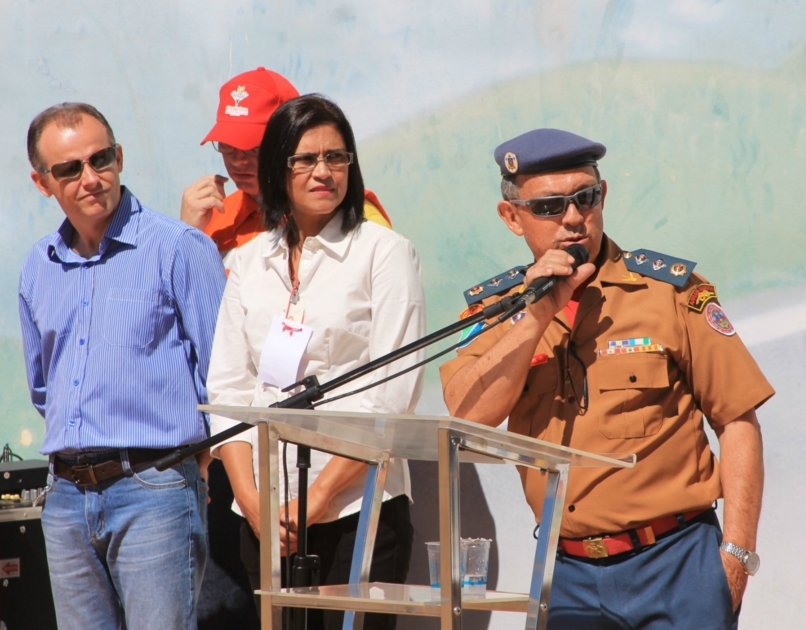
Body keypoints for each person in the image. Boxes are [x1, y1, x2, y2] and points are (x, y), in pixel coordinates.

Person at [440, 128, 774, 629]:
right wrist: (533, 318)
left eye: (585, 198)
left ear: (603, 196)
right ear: (512, 217)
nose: (573, 218)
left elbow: (737, 421)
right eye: (550, 206)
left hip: (678, 563)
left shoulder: (668, 292)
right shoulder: (502, 311)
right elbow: (469, 414)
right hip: (566, 571)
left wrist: (736, 556)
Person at [207, 94, 424, 630]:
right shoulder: (249, 260)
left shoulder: (385, 252)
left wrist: (319, 499)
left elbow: (391, 396)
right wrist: (251, 500)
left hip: (357, 510)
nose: (323, 171)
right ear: (278, 168)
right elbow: (229, 391)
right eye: (305, 159)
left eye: (337, 157)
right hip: (264, 515)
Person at [19, 102, 227, 630]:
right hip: (65, 497)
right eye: (69, 169)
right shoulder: (38, 266)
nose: (91, 178)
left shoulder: (180, 249)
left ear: (120, 157)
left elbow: (220, 379)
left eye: (101, 159)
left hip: (153, 488)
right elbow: (44, 388)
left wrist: (182, 470)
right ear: (43, 182)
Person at [181, 66, 393, 263]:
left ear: (293, 141)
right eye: (226, 145)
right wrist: (186, 235)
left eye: (252, 147)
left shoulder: (345, 212)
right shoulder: (210, 215)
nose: (237, 160)